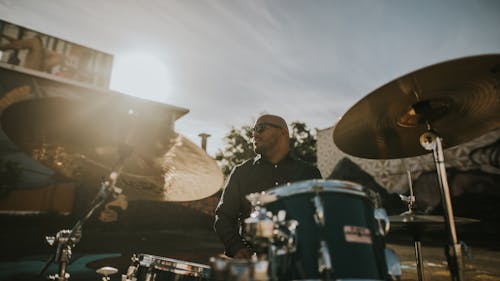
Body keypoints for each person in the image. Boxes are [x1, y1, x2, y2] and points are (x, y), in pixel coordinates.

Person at [214, 114, 322, 258]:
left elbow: (320, 219)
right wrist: (237, 247)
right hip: (254, 267)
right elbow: (223, 217)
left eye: (260, 128)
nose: (254, 135)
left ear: (282, 132)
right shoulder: (241, 172)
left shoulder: (309, 173)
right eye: (253, 131)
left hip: (299, 264)